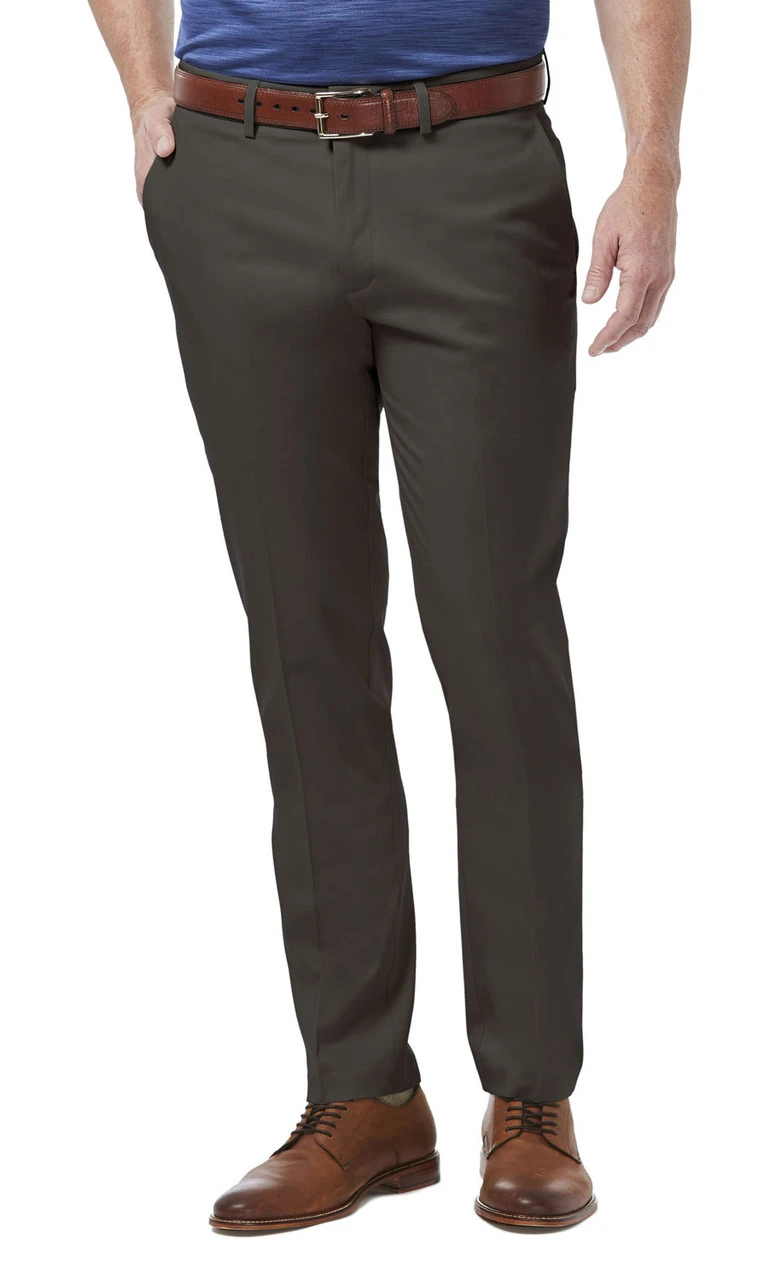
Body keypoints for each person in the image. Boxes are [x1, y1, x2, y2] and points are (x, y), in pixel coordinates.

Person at [88, 0, 690, 1233]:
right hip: (236, 171)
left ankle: (530, 1096)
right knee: (304, 650)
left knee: (496, 642)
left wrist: (651, 162)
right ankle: (360, 1095)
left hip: (471, 163)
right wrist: (144, 91)